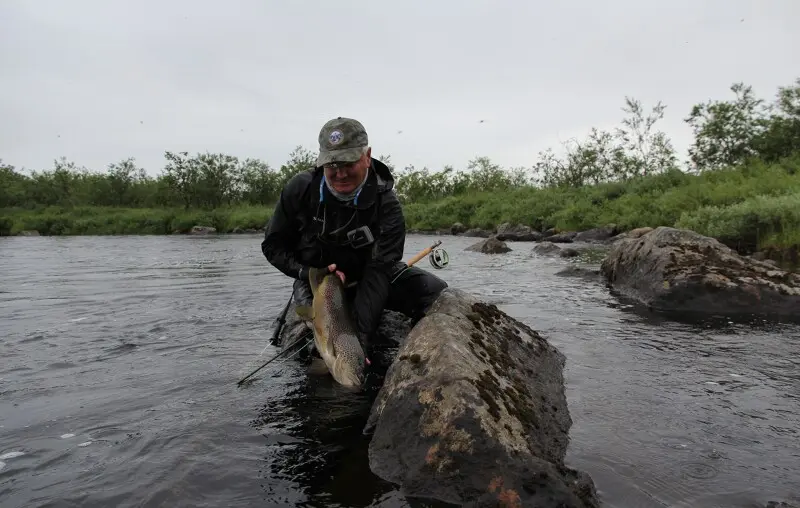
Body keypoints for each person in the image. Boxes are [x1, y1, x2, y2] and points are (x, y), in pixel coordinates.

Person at [261, 117, 448, 352]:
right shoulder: (300, 190)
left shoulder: (386, 204)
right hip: (317, 283)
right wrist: (306, 272)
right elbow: (273, 246)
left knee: (436, 292)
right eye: (332, 165)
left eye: (348, 163)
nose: (340, 174)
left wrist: (359, 336)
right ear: (321, 163)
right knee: (315, 349)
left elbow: (380, 269)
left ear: (367, 156)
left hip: (367, 279)